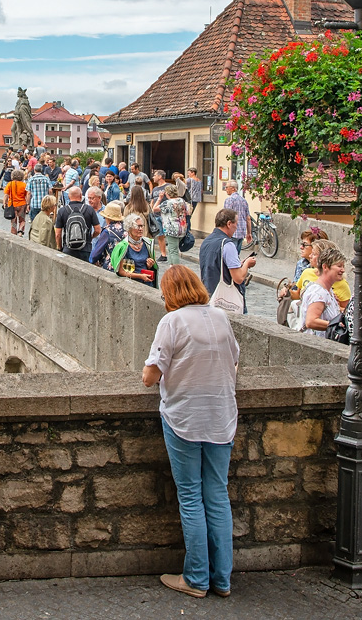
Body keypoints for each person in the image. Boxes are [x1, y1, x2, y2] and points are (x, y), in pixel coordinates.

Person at [143, 266, 238, 600]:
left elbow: (151, 375)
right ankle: (222, 579)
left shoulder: (172, 321)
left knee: (190, 497)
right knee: (217, 495)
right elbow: (235, 360)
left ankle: (196, 578)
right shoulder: (220, 317)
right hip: (221, 417)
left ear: (170, 293)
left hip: (185, 418)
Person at [198, 208, 256, 314]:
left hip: (208, 296)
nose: (236, 227)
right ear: (229, 223)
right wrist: (247, 264)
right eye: (236, 223)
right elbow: (238, 278)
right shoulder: (227, 244)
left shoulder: (206, 241)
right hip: (225, 301)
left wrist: (239, 264)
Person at [301, 245, 347, 334]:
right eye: (339, 266)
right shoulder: (318, 292)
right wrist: (337, 326)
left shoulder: (327, 290)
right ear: (325, 267)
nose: (343, 270)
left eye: (343, 266)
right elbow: (311, 321)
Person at [54, 185, 99, 262]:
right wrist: (90, 237)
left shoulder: (62, 211)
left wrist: (60, 247)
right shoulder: (89, 209)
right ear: (81, 196)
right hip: (85, 248)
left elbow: (58, 234)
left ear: (68, 196)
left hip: (68, 248)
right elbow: (98, 230)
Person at [113, 213, 157, 287]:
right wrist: (140, 276)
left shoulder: (147, 243)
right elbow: (121, 272)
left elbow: (148, 267)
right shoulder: (123, 246)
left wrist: (149, 265)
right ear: (129, 228)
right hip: (131, 285)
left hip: (147, 284)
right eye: (137, 226)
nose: (140, 229)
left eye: (142, 226)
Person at [155, 185, 191, 267]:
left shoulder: (168, 203)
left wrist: (159, 198)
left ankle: (176, 269)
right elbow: (188, 212)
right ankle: (171, 267)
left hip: (171, 229)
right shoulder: (182, 201)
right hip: (182, 228)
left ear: (167, 193)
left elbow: (154, 209)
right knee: (172, 249)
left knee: (173, 250)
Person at [221, 181, 250, 252]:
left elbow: (226, 216)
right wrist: (249, 233)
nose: (226, 189)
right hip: (241, 231)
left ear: (233, 188)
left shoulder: (229, 200)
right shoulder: (243, 200)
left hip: (232, 231)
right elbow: (248, 218)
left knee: (230, 255)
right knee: (236, 254)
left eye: (227, 187)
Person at [4, 169, 28, 235]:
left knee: (13, 220)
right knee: (22, 220)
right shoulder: (24, 185)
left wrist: (4, 203)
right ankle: (20, 231)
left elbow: (6, 195)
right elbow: (27, 195)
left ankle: (13, 233)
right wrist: (28, 204)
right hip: (22, 204)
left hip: (12, 204)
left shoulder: (10, 184)